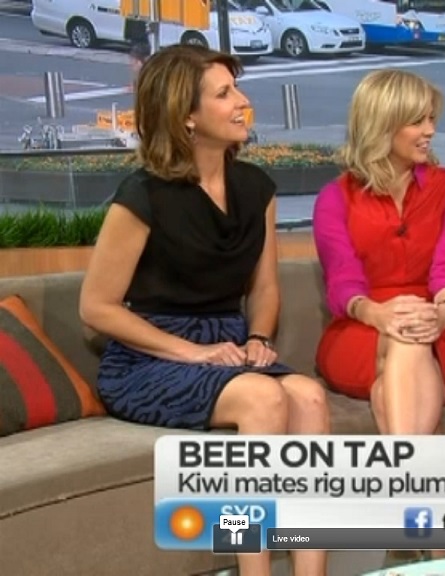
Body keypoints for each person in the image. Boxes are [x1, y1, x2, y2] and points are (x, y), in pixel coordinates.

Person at [79, 45, 329, 576]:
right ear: (186, 116)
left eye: (236, 89)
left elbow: (264, 289)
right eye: (224, 93)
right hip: (149, 358)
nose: (242, 102)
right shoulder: (142, 195)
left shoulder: (255, 188)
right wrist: (192, 352)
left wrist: (259, 338)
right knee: (264, 398)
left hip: (229, 347)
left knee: (308, 396)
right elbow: (96, 308)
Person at [312, 69, 445, 437]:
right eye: (417, 121)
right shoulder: (336, 198)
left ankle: (404, 464)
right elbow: (342, 278)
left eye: (431, 118)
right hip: (361, 328)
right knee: (406, 337)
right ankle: (418, 466)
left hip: (439, 324)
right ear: (382, 126)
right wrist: (377, 314)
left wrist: (443, 312)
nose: (430, 131)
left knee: (403, 355)